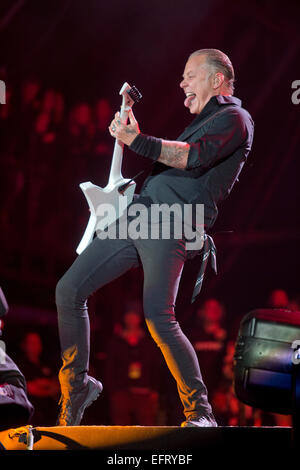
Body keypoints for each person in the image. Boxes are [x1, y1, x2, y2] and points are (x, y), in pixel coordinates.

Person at [55, 48, 254, 427]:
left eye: (190, 75)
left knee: (159, 318)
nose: (182, 83)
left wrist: (138, 139)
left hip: (172, 223)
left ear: (216, 79)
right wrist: (131, 136)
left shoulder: (236, 118)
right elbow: (173, 158)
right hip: (140, 215)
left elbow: (192, 157)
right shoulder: (204, 119)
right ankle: (78, 385)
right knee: (68, 290)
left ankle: (201, 412)